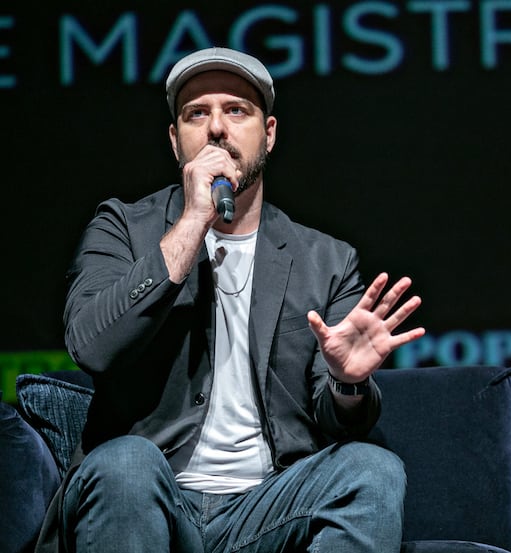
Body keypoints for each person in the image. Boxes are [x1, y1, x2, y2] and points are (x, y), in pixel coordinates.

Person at [39, 47, 425, 553]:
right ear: (176, 140)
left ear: (268, 133)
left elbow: (336, 419)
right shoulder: (122, 228)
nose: (217, 128)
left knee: (373, 469)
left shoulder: (325, 259)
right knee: (126, 463)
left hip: (266, 505)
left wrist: (345, 382)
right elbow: (92, 346)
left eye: (236, 110)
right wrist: (193, 224)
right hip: (152, 495)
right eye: (197, 113)